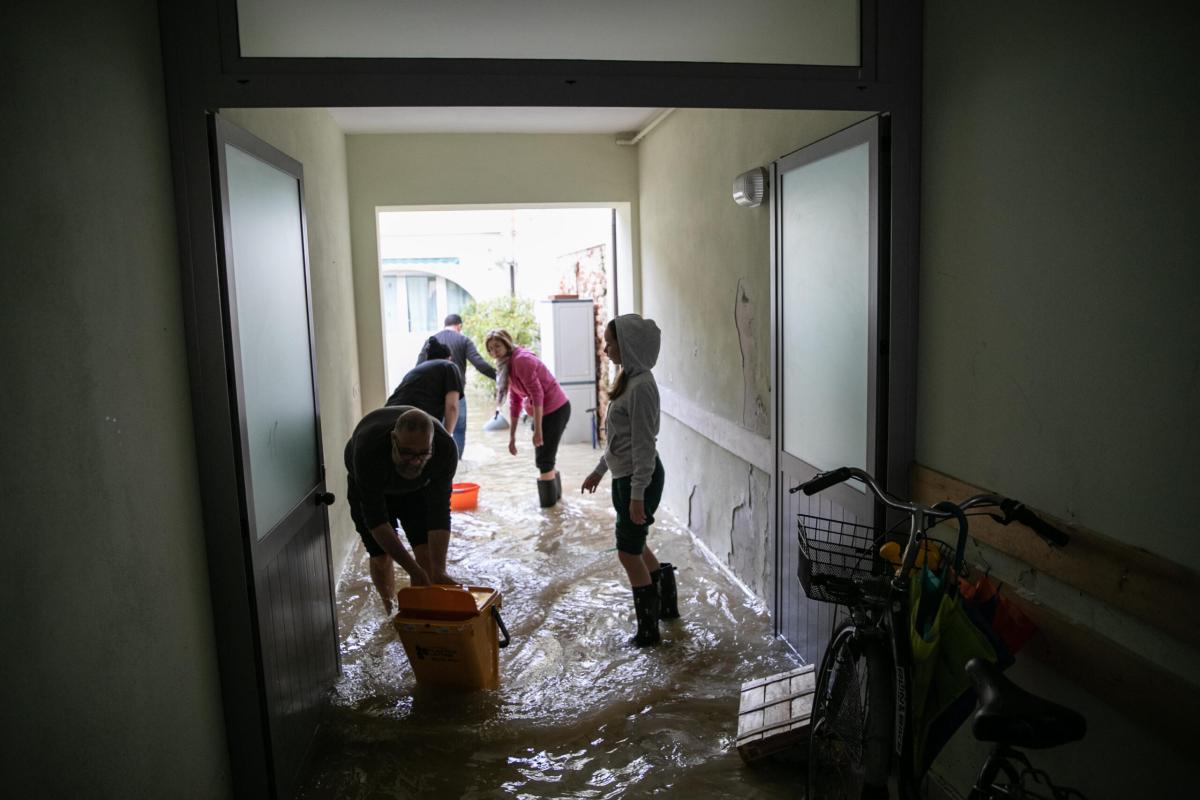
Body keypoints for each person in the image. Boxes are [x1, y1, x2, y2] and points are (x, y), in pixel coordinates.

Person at [581, 315, 679, 646]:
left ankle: (648, 633)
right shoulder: (629, 379)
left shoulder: (642, 387)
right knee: (636, 545)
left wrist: (637, 495)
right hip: (630, 477)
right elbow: (618, 442)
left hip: (639, 479)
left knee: (627, 553)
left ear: (629, 345)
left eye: (610, 342)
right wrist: (599, 469)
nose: (605, 347)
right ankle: (666, 608)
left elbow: (643, 446)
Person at [344, 405, 460, 614]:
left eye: (423, 454)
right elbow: (377, 520)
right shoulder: (368, 448)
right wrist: (412, 570)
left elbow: (439, 511)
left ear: (432, 445)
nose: (414, 461)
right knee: (381, 558)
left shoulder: (445, 449)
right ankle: (391, 610)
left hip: (416, 491)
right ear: (393, 439)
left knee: (427, 559)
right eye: (406, 452)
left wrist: (438, 570)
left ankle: (422, 614)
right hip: (371, 486)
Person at [485, 328, 571, 508]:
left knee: (544, 461)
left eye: (497, 346)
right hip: (543, 411)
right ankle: (558, 506)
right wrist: (512, 436)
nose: (494, 352)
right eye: (490, 348)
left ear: (507, 344)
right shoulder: (505, 365)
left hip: (555, 409)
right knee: (547, 458)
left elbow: (537, 394)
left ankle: (549, 515)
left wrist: (538, 430)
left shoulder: (521, 361)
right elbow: (515, 400)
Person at [417, 314, 498, 455]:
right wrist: (499, 377)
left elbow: (419, 366)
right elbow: (479, 364)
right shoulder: (464, 340)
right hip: (456, 394)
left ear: (444, 325)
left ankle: (437, 459)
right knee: (459, 430)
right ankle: (456, 461)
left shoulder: (431, 341)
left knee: (435, 429)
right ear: (459, 326)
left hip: (433, 396)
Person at [387, 336, 464, 438]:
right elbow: (452, 407)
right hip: (410, 424)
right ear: (449, 358)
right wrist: (446, 438)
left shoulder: (418, 369)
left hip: (384, 419)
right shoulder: (449, 366)